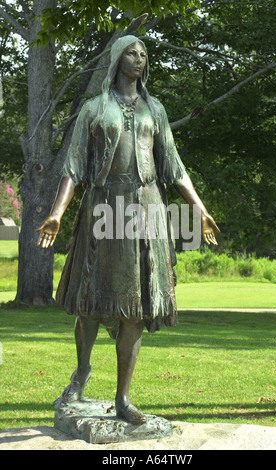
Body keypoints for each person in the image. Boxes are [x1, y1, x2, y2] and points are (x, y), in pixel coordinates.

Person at [37, 35, 220, 425]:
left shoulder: (156, 109)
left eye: (144, 55)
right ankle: (82, 373)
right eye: (132, 53)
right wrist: (56, 213)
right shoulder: (94, 108)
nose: (138, 59)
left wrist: (199, 210)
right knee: (90, 300)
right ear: (118, 59)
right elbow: (73, 167)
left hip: (147, 208)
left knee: (134, 308)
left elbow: (174, 166)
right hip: (103, 205)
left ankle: (123, 397)